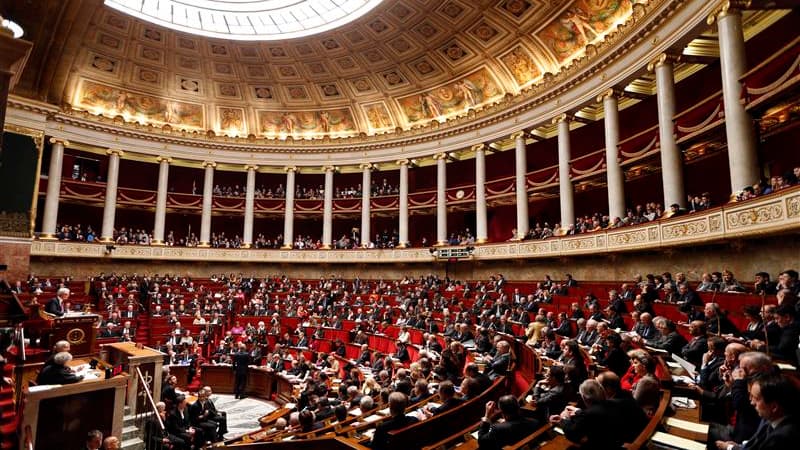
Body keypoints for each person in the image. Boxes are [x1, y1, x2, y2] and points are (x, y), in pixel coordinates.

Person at [715, 374, 800, 450]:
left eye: (756, 398)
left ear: (774, 407)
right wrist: (739, 447)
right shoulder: (771, 420)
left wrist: (730, 448)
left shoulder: (781, 438)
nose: (752, 402)